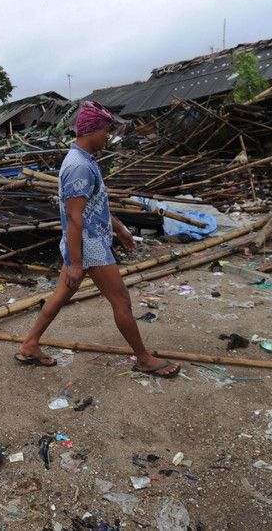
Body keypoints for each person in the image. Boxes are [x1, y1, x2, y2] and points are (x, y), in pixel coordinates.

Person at [15, 101, 181, 378]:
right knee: (121, 301)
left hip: (85, 244)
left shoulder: (85, 161)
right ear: (92, 130)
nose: (108, 136)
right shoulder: (79, 167)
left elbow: (96, 207)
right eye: (106, 130)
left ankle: (30, 344)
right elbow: (74, 217)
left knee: (60, 296)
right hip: (89, 247)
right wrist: (75, 262)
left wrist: (120, 229)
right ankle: (143, 359)